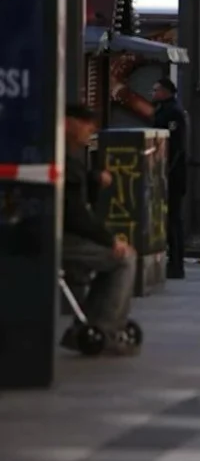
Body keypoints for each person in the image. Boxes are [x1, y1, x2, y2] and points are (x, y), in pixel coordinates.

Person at [60, 103, 139, 357]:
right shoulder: (63, 157)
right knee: (124, 259)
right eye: (86, 123)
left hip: (55, 233)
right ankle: (105, 329)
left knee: (116, 257)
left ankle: (92, 321)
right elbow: (74, 215)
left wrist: (93, 179)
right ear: (68, 122)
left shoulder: (68, 156)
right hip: (57, 238)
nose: (90, 130)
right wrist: (109, 240)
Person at [152, 78, 189, 280]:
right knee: (169, 220)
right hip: (168, 173)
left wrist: (165, 170)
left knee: (174, 219)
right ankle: (172, 261)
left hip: (173, 175)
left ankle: (176, 263)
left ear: (166, 91)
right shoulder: (165, 110)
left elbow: (176, 146)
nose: (153, 93)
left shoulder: (173, 112)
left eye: (156, 90)